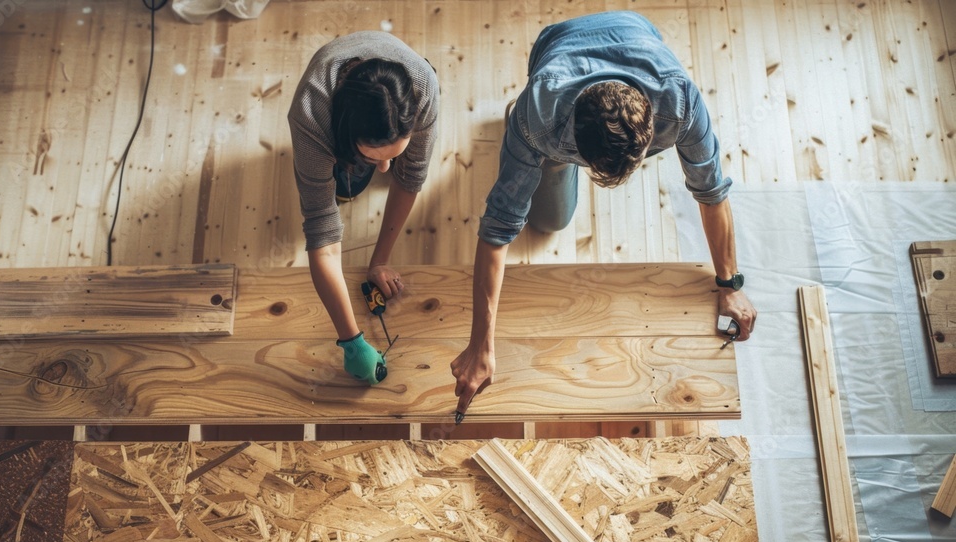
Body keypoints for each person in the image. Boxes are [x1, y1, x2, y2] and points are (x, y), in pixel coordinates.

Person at [450, 11, 757, 419]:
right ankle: (515, 126)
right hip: (555, 47)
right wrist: (480, 346)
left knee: (551, 213)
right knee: (551, 221)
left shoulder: (679, 100)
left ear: (651, 129)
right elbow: (498, 228)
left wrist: (730, 284)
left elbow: (712, 191)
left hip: (638, 30)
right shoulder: (541, 112)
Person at [289, 31, 438, 385]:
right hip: (330, 113)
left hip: (407, 78)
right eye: (374, 157)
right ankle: (355, 166)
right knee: (349, 184)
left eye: (393, 155)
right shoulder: (310, 116)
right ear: (344, 133)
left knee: (392, 169)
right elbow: (322, 234)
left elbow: (411, 175)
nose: (385, 170)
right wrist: (352, 341)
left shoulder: (424, 89)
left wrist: (380, 260)